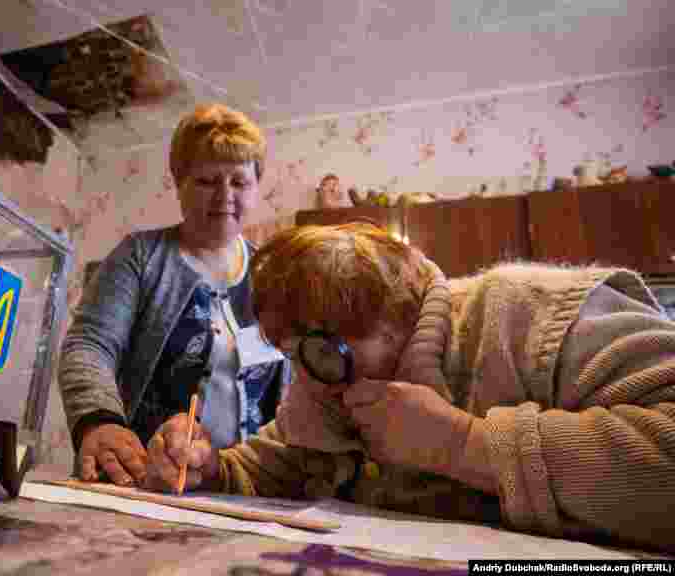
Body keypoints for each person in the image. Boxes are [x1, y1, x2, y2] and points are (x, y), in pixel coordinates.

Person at [144, 222, 675, 553]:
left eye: (325, 350)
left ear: (404, 315)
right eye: (292, 353)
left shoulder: (525, 314)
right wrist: (211, 466)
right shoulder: (324, 383)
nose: (306, 381)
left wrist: (461, 444)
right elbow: (280, 465)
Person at [58, 103, 290, 487]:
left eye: (239, 182)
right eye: (206, 181)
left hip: (246, 486)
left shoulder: (276, 273)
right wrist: (98, 419)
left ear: (255, 188)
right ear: (179, 183)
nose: (224, 196)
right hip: (142, 479)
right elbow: (89, 345)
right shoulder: (140, 255)